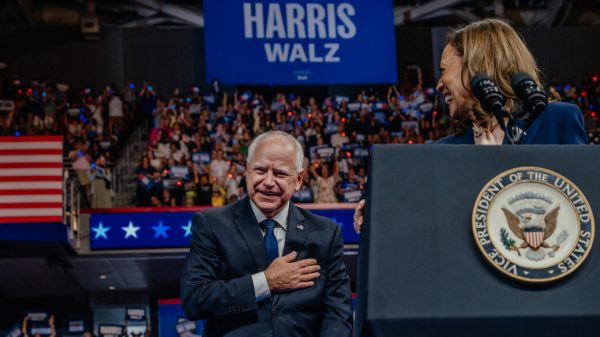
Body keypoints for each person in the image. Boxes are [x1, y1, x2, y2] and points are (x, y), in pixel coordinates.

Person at [354, 18, 588, 233]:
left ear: (477, 65)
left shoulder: (557, 121)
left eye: (444, 71)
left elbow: (586, 207)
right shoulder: (442, 152)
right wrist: (376, 209)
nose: (438, 85)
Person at [180, 130, 353, 337]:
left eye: (280, 173)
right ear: (246, 172)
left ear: (298, 179)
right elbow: (195, 300)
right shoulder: (211, 224)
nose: (268, 181)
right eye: (260, 170)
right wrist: (265, 282)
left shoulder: (325, 232)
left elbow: (338, 315)